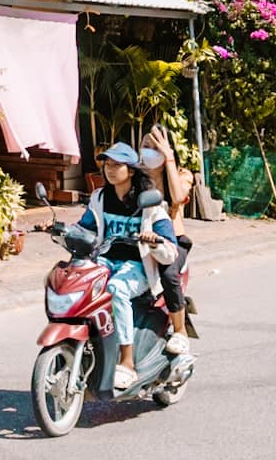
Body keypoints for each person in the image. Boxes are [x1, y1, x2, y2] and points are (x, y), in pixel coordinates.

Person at [76, 142, 181, 391]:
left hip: (137, 266)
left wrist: (154, 242)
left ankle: (127, 362)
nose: (110, 170)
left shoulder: (149, 203)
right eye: (107, 164)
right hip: (105, 260)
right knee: (79, 282)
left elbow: (171, 250)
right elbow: (85, 227)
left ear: (131, 170)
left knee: (116, 289)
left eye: (117, 165)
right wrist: (60, 228)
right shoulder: (100, 197)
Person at [138, 126, 195, 348]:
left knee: (168, 273)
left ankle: (180, 332)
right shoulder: (135, 175)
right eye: (145, 146)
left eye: (155, 147)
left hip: (172, 241)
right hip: (138, 238)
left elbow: (179, 197)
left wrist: (168, 160)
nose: (149, 151)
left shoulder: (182, 175)